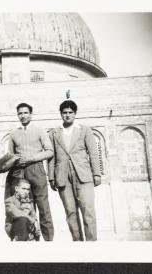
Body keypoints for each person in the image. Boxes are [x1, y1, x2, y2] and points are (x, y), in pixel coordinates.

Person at [48, 100, 101, 241]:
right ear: (61, 114)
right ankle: (77, 242)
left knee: (87, 210)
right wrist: (51, 177)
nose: (67, 115)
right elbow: (51, 156)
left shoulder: (84, 130)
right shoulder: (54, 132)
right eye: (64, 113)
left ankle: (91, 244)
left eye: (70, 112)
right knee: (70, 211)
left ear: (75, 113)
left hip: (83, 175)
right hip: (63, 177)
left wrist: (96, 173)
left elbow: (93, 153)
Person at [7, 102, 54, 241]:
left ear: (31, 114)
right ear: (17, 115)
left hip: (37, 170)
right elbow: (10, 156)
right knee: (25, 208)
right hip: (20, 173)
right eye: (20, 113)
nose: (23, 115)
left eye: (25, 112)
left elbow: (49, 151)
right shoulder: (13, 134)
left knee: (44, 207)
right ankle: (30, 241)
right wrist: (16, 162)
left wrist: (32, 158)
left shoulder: (39, 130)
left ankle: (49, 241)